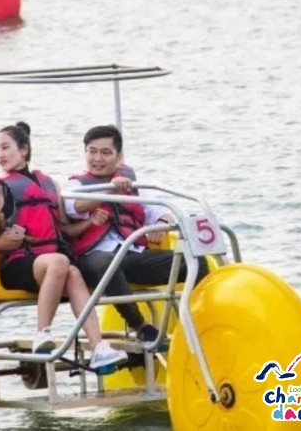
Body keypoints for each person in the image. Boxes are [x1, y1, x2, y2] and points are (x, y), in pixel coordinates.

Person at [0, 121, 127, 370]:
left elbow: (65, 230)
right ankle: (42, 333)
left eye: (5, 148)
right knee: (60, 262)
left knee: (72, 272)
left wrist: (89, 222)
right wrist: (0, 242)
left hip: (49, 263)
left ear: (24, 149)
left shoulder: (49, 184)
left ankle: (99, 348)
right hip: (17, 264)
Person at [64, 125, 208, 346]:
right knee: (107, 264)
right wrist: (111, 190)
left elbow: (161, 211)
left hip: (131, 254)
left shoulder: (134, 185)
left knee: (196, 263)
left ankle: (197, 322)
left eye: (105, 152)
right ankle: (140, 326)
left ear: (118, 156)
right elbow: (75, 207)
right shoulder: (75, 185)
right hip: (93, 258)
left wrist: (160, 224)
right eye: (92, 151)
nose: (97, 158)